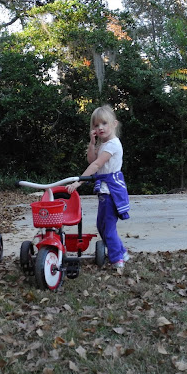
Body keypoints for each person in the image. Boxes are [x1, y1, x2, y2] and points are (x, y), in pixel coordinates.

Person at [67, 105, 130, 269]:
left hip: (111, 191)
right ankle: (121, 252)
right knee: (102, 225)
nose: (100, 127)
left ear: (114, 124)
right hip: (104, 191)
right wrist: (92, 143)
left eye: (104, 123)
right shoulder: (104, 144)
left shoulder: (112, 145)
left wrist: (78, 182)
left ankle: (117, 259)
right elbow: (91, 160)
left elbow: (96, 165)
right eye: (96, 125)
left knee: (108, 228)